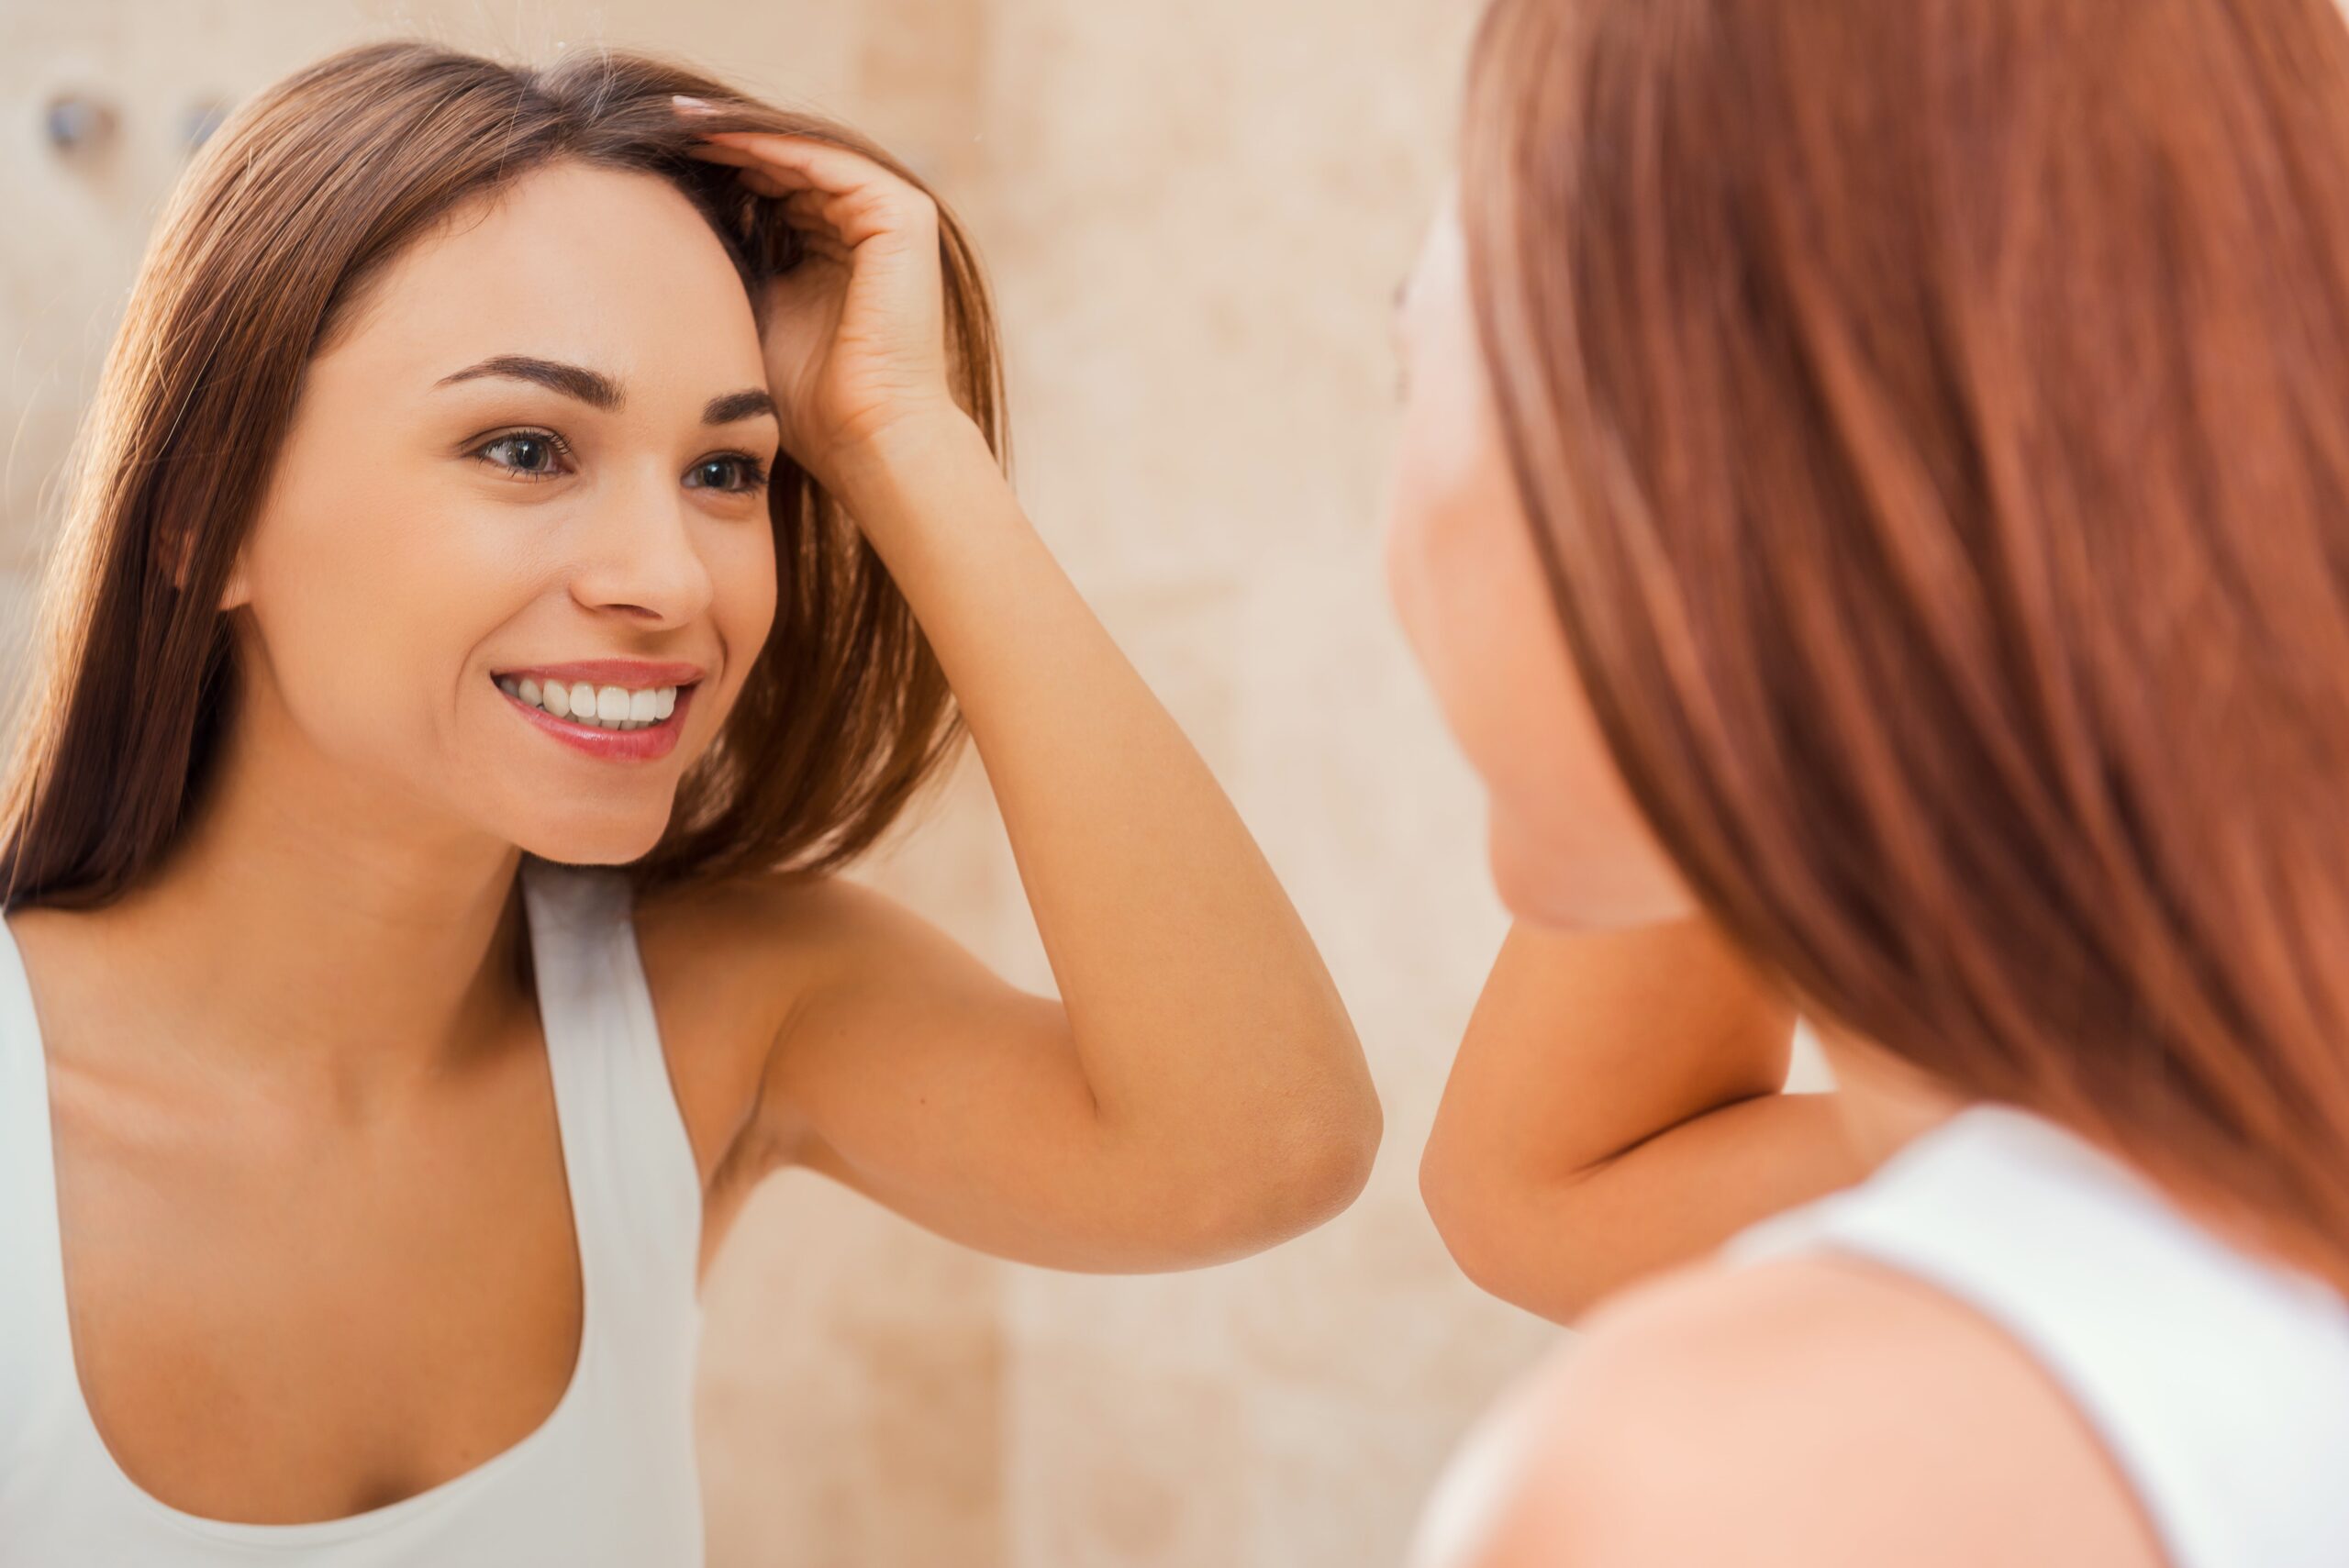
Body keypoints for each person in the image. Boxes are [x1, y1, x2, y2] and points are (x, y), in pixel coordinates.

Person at [0, 39, 1380, 1563]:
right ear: (204, 513)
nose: (669, 582)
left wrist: (905, 436)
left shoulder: (719, 1012)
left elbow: (1269, 1145)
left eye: (728, 470)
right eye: (526, 447)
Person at [1384, 0, 2349, 1562]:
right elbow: (1539, 1183)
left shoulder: (1710, 1482)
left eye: (1418, 343)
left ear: (1708, 476)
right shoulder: (2216, 1117)